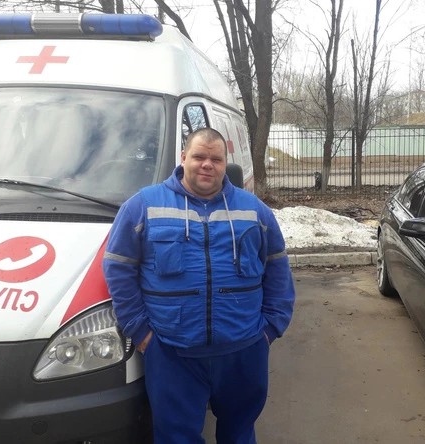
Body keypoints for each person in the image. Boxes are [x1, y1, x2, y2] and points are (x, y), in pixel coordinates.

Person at [103, 127, 296, 443]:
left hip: (244, 350)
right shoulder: (143, 206)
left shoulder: (254, 210)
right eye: (199, 157)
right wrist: (140, 332)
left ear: (225, 164)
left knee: (239, 434)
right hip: (172, 353)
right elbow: (118, 268)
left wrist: (271, 328)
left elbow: (277, 269)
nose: (207, 165)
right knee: (176, 437)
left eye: (216, 159)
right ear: (183, 158)